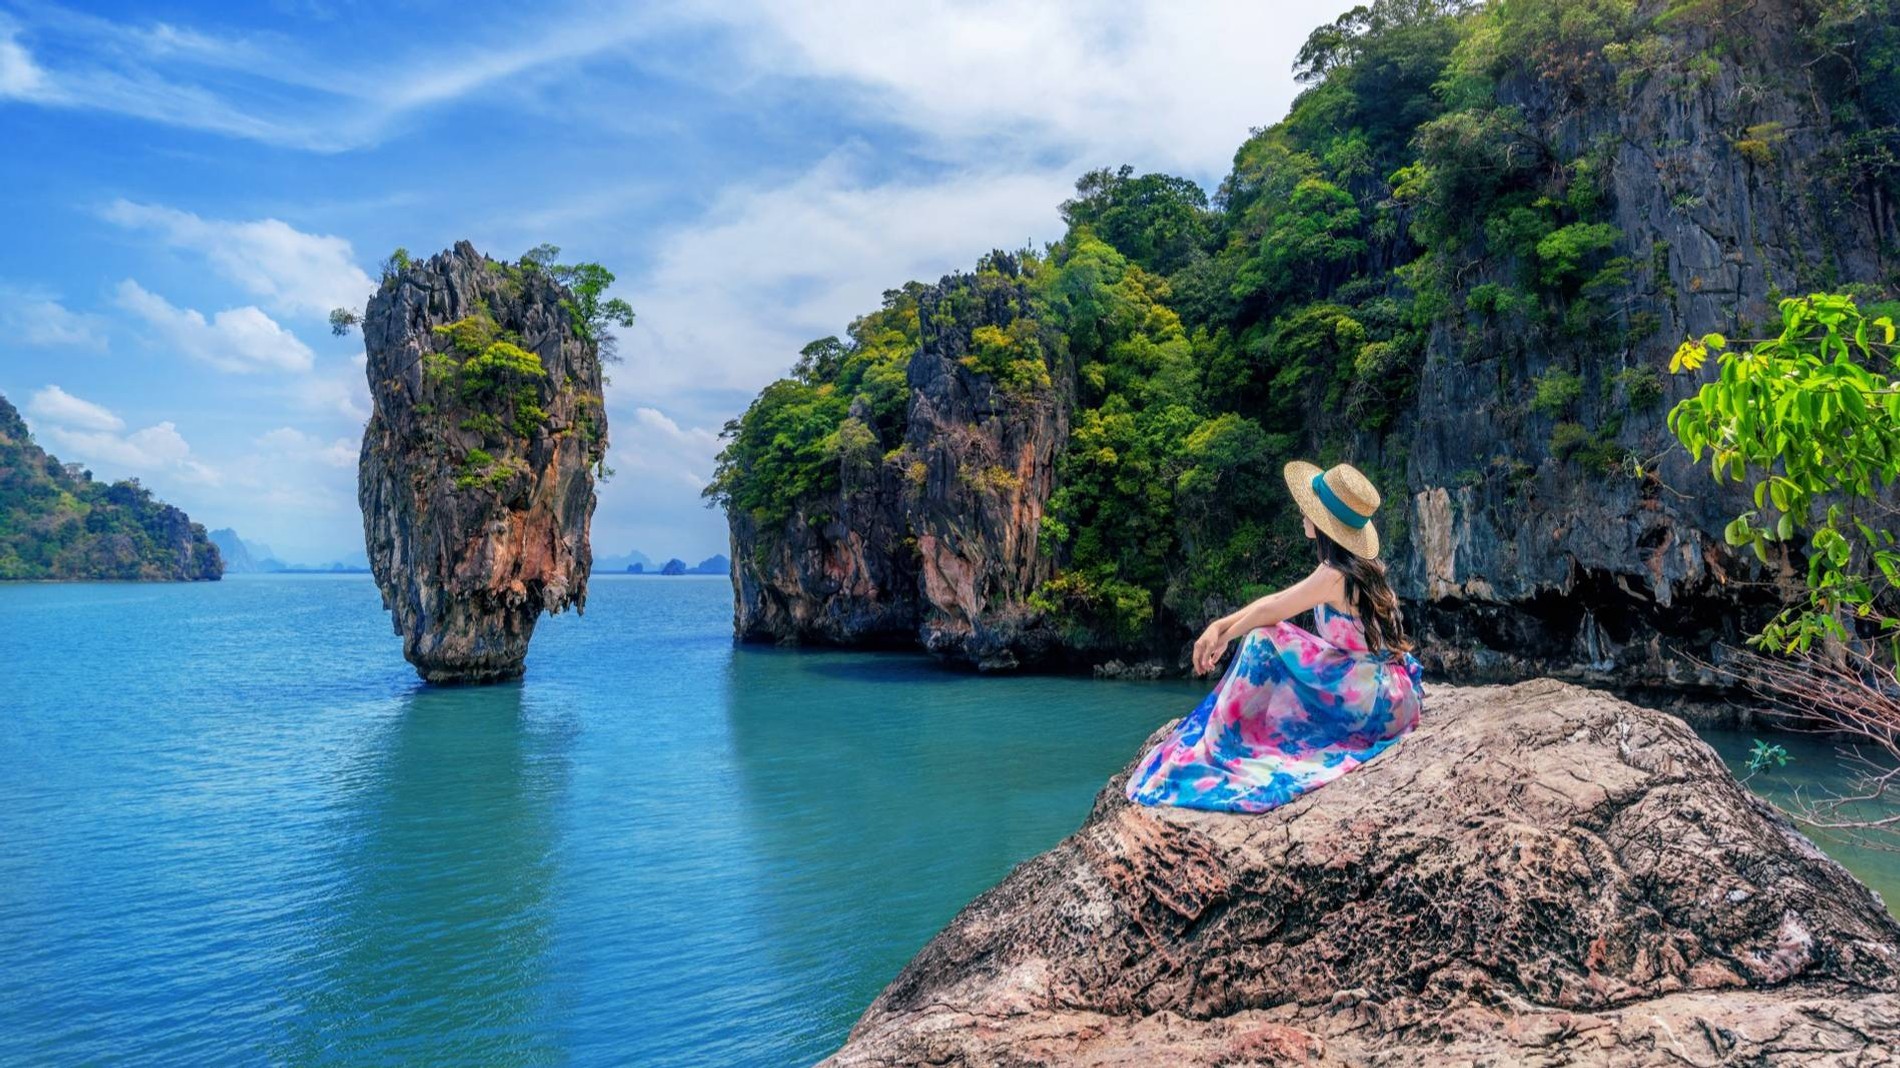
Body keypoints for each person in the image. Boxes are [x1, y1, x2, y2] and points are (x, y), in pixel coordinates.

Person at [1124, 460, 1424, 813]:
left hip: (1373, 701)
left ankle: (1227, 741)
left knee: (1261, 640)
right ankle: (1237, 733)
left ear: (1327, 523)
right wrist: (1222, 625)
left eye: (1309, 508)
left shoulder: (1335, 574)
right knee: (1268, 634)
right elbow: (1276, 601)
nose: (1302, 512)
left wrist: (1227, 635)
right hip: (1381, 685)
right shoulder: (1347, 566)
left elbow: (1274, 611)